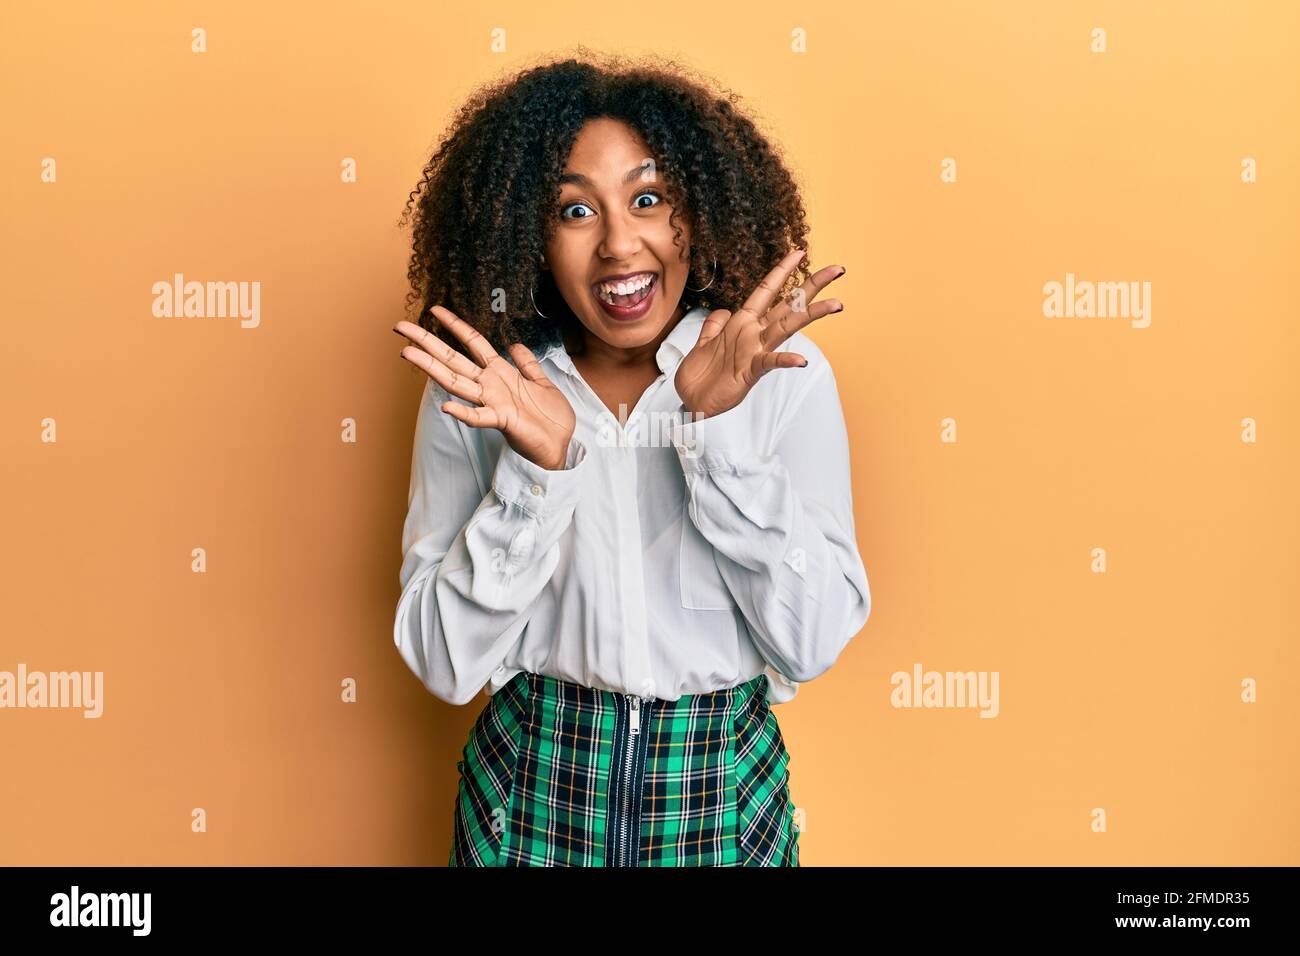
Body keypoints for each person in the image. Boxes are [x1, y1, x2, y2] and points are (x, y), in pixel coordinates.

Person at [392, 51, 871, 866]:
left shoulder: (783, 378)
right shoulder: (481, 391)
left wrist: (716, 436)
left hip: (722, 799)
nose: (619, 244)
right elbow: (441, 661)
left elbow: (815, 637)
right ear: (526, 233)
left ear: (702, 213)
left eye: (648, 199)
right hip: (528, 800)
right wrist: (536, 475)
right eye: (574, 212)